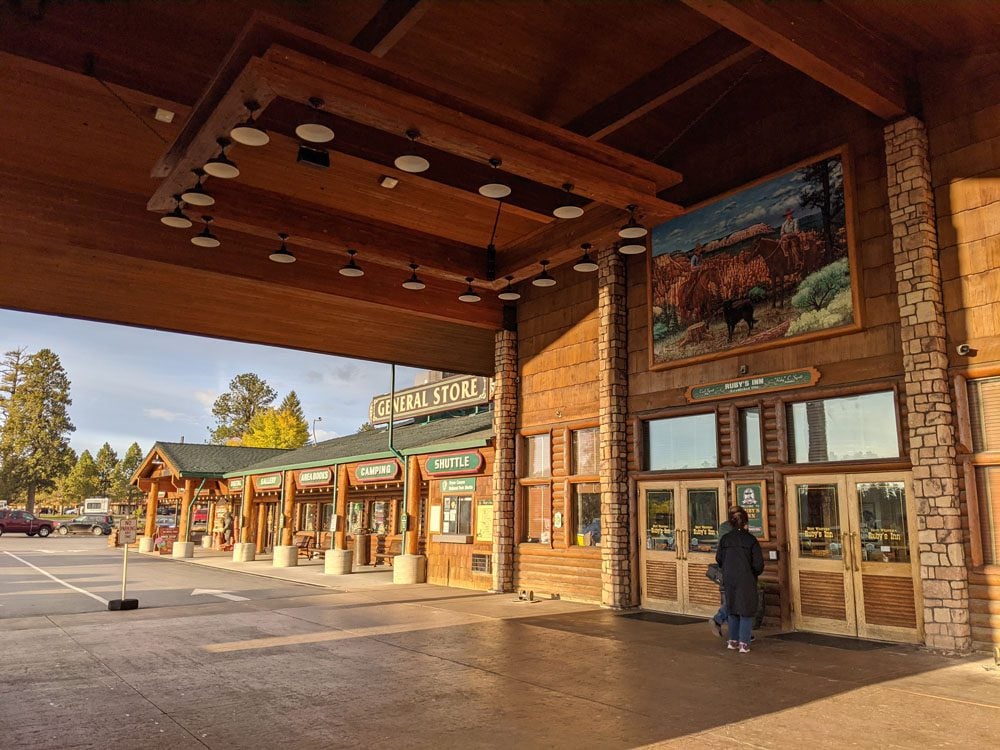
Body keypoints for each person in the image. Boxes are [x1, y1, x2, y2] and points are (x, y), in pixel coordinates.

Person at [716, 507, 764, 653]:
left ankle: (732, 641)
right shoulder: (751, 540)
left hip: (729, 578)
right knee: (746, 611)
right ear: (746, 522)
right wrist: (753, 573)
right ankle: (744, 643)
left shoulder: (725, 539)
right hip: (746, 579)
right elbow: (758, 564)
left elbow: (719, 558)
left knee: (732, 609)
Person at [709, 506, 740, 638]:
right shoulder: (729, 530)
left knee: (736, 599)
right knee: (735, 599)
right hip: (733, 568)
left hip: (732, 568)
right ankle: (719, 619)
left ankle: (742, 633)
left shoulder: (727, 528)